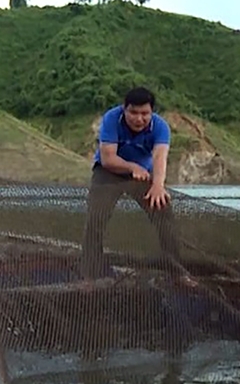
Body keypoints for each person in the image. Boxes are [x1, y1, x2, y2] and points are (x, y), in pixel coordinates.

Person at [79, 86, 188, 282]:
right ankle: (90, 274)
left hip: (142, 174)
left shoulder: (160, 127)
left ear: (152, 112)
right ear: (124, 109)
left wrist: (157, 185)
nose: (139, 119)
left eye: (144, 113)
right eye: (134, 113)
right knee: (96, 218)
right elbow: (107, 158)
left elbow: (160, 157)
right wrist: (131, 167)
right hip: (109, 172)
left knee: (164, 212)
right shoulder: (112, 118)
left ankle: (176, 271)